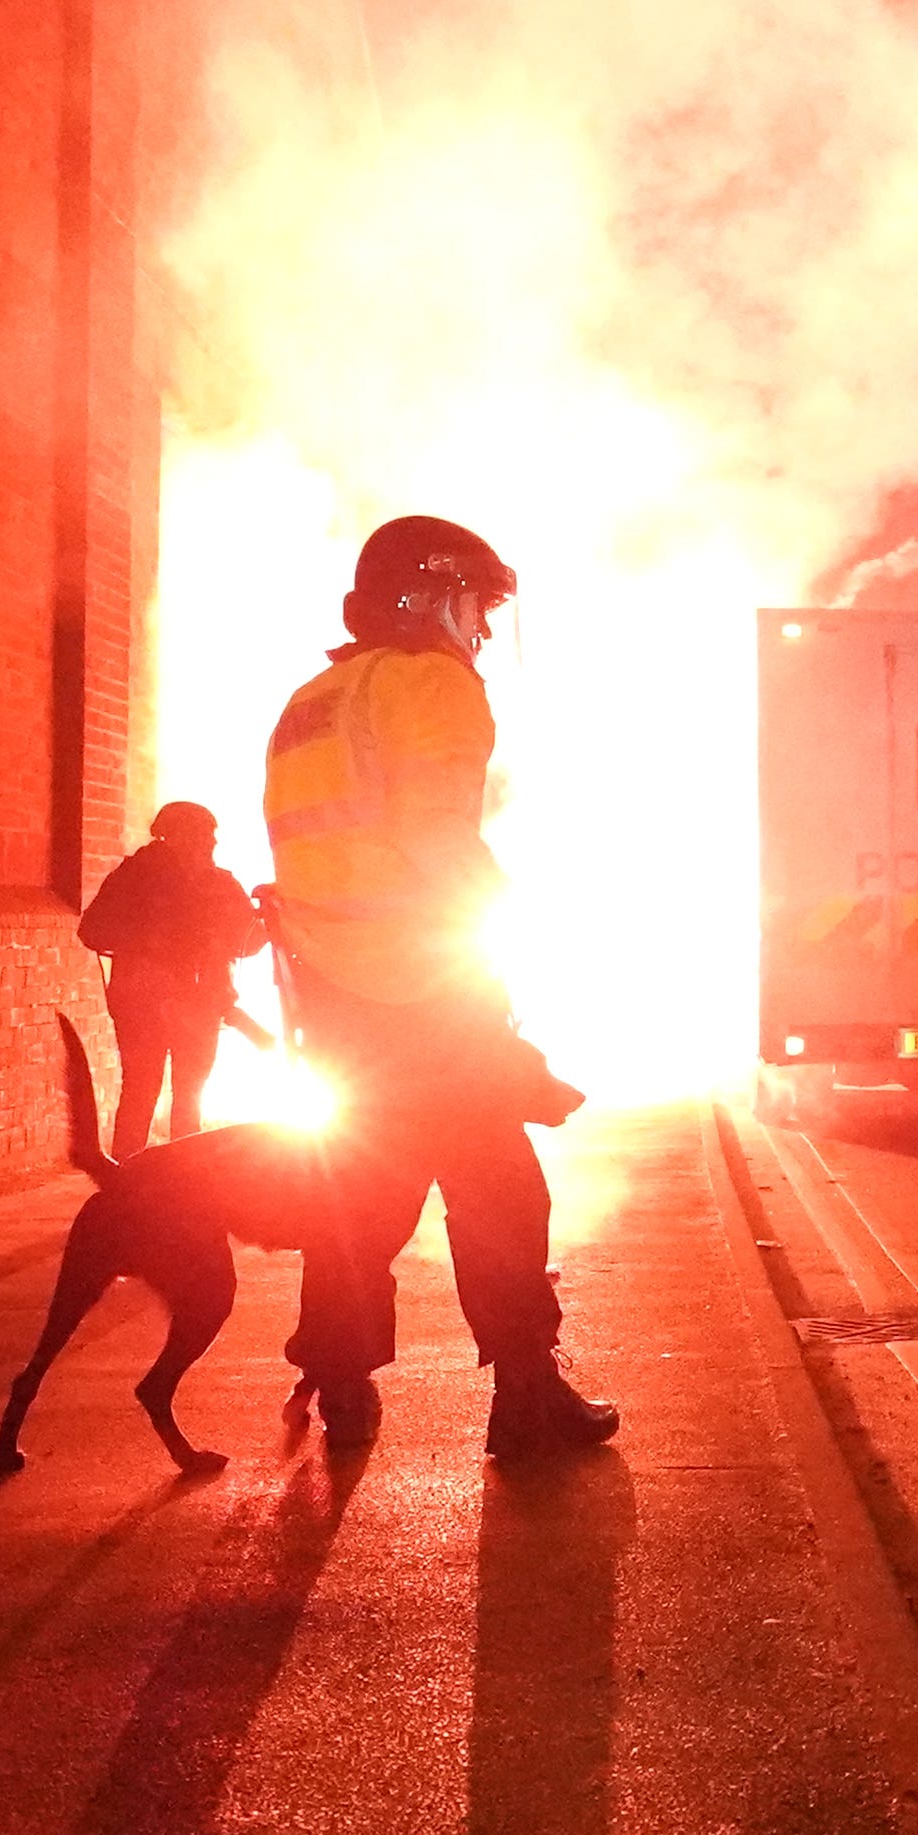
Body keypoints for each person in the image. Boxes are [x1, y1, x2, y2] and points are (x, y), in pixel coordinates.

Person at [261, 514, 617, 1459]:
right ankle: (527, 1398)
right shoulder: (434, 684)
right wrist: (499, 921)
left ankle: (340, 1384)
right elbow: (436, 837)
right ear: (428, 596)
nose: (483, 631)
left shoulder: (312, 699)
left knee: (357, 1200)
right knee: (498, 1190)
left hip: (338, 999)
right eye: (476, 604)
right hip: (426, 989)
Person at [76, 800, 272, 1155]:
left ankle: (168, 1181)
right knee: (143, 1092)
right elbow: (92, 931)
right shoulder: (134, 880)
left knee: (185, 1097)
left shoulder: (218, 884)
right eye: (204, 836)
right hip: (146, 1007)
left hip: (195, 1007)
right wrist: (151, 942)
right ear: (176, 837)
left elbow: (245, 943)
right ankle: (131, 1180)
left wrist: (269, 917)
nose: (212, 844)